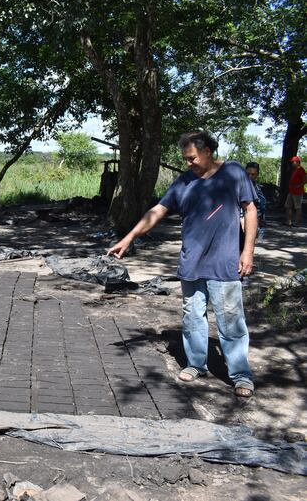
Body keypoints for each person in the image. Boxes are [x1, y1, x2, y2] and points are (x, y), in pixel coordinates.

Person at [107, 131, 257, 398]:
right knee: (192, 317)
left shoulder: (233, 172)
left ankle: (240, 375)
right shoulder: (184, 182)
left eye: (192, 158)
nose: (188, 163)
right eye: (186, 159)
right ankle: (196, 364)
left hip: (225, 263)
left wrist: (247, 252)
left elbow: (250, 210)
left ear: (208, 151)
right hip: (192, 263)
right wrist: (129, 237)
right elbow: (157, 211)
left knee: (231, 320)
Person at [245, 161, 266, 242]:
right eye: (248, 174)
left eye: (253, 174)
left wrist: (260, 232)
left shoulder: (258, 191)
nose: (250, 176)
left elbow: (262, 210)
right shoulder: (237, 187)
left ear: (257, 175)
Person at [285, 156, 305, 227]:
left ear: (297, 162)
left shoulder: (301, 170)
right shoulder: (294, 169)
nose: (292, 163)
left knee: (298, 207)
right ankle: (289, 222)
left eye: (293, 162)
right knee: (288, 206)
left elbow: (305, 179)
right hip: (291, 191)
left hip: (298, 192)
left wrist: (299, 185)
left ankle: (297, 223)